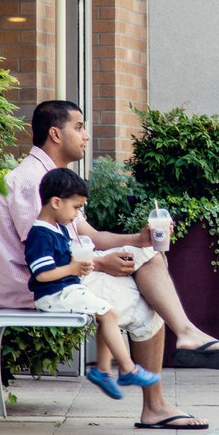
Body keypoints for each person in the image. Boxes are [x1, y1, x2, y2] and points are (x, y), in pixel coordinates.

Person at [0, 101, 219, 431]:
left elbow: (93, 236)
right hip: (39, 289)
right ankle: (167, 377)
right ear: (55, 133)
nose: (86, 135)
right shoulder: (29, 181)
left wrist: (139, 239)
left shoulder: (55, 182)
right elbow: (39, 255)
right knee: (148, 298)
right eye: (79, 126)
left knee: (149, 261)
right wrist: (99, 264)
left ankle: (178, 352)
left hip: (64, 280)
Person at [26, 168, 161, 399]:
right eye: (76, 207)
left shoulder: (57, 229)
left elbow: (63, 261)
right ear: (57, 202)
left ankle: (103, 370)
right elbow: (41, 275)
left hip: (67, 288)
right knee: (107, 313)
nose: (78, 214)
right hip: (54, 295)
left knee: (109, 310)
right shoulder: (40, 234)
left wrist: (81, 264)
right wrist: (72, 268)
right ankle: (127, 369)